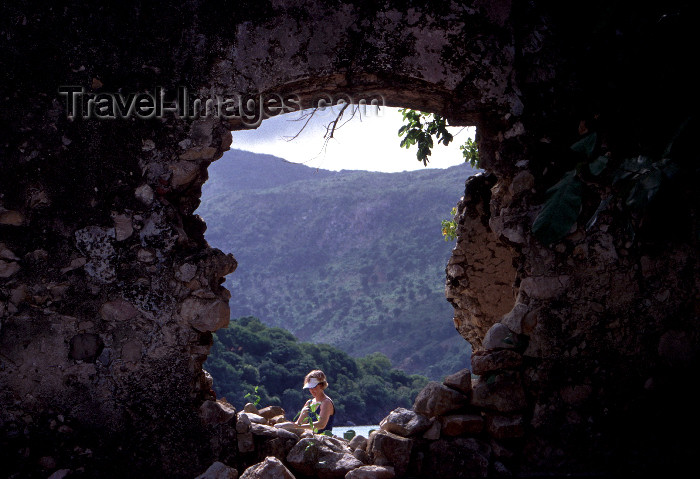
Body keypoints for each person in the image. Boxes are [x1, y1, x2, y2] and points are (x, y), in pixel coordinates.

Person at [294, 369, 335, 433]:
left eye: (314, 387)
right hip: (309, 437)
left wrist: (298, 426)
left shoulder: (326, 402)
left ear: (321, 385)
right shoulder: (309, 403)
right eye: (310, 388)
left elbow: (321, 425)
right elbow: (299, 423)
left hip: (323, 439)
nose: (312, 390)